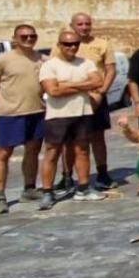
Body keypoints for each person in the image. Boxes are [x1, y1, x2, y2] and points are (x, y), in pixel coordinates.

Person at [38, 31, 105, 209]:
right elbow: (53, 91)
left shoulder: (86, 63)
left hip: (82, 112)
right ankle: (47, 192)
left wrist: (66, 84)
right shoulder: (49, 65)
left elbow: (98, 82)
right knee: (52, 153)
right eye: (67, 44)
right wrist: (83, 86)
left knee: (82, 150)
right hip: (58, 115)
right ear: (59, 45)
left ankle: (83, 187)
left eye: (75, 44)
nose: (72, 47)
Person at [51, 13, 117, 192]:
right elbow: (53, 69)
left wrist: (102, 93)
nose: (84, 27)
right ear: (72, 25)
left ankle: (102, 173)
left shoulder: (102, 44)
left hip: (95, 97)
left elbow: (111, 70)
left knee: (97, 137)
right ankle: (67, 176)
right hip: (69, 99)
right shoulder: (62, 44)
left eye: (87, 24)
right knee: (69, 140)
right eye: (80, 24)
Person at [0, 24, 46, 214]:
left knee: (33, 151)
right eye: (24, 36)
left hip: (36, 112)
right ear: (15, 38)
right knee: (3, 154)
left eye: (32, 36)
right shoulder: (1, 60)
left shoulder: (42, 59)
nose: (28, 39)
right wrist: (2, 104)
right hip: (10, 115)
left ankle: (29, 189)